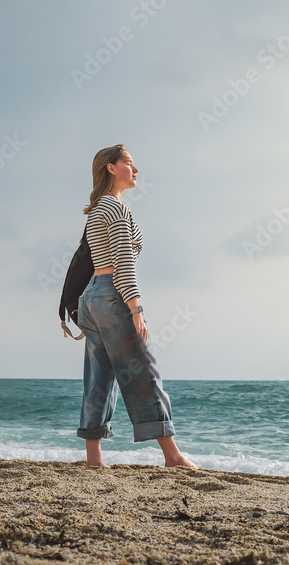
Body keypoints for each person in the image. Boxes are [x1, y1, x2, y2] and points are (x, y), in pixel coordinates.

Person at [76, 144, 197, 469]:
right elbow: (123, 261)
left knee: (98, 377)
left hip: (92, 298)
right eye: (129, 163)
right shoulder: (114, 209)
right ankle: (173, 456)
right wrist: (135, 307)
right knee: (143, 371)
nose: (136, 169)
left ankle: (94, 459)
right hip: (112, 294)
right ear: (111, 168)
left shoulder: (100, 208)